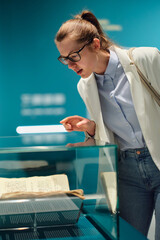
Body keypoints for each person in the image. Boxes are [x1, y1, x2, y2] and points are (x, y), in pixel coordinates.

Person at [55, 10, 160, 239]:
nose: (70, 65)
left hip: (158, 160)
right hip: (127, 170)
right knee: (125, 236)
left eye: (73, 56)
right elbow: (108, 137)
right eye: (64, 59)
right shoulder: (85, 86)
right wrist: (91, 130)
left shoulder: (146, 58)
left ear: (95, 44)